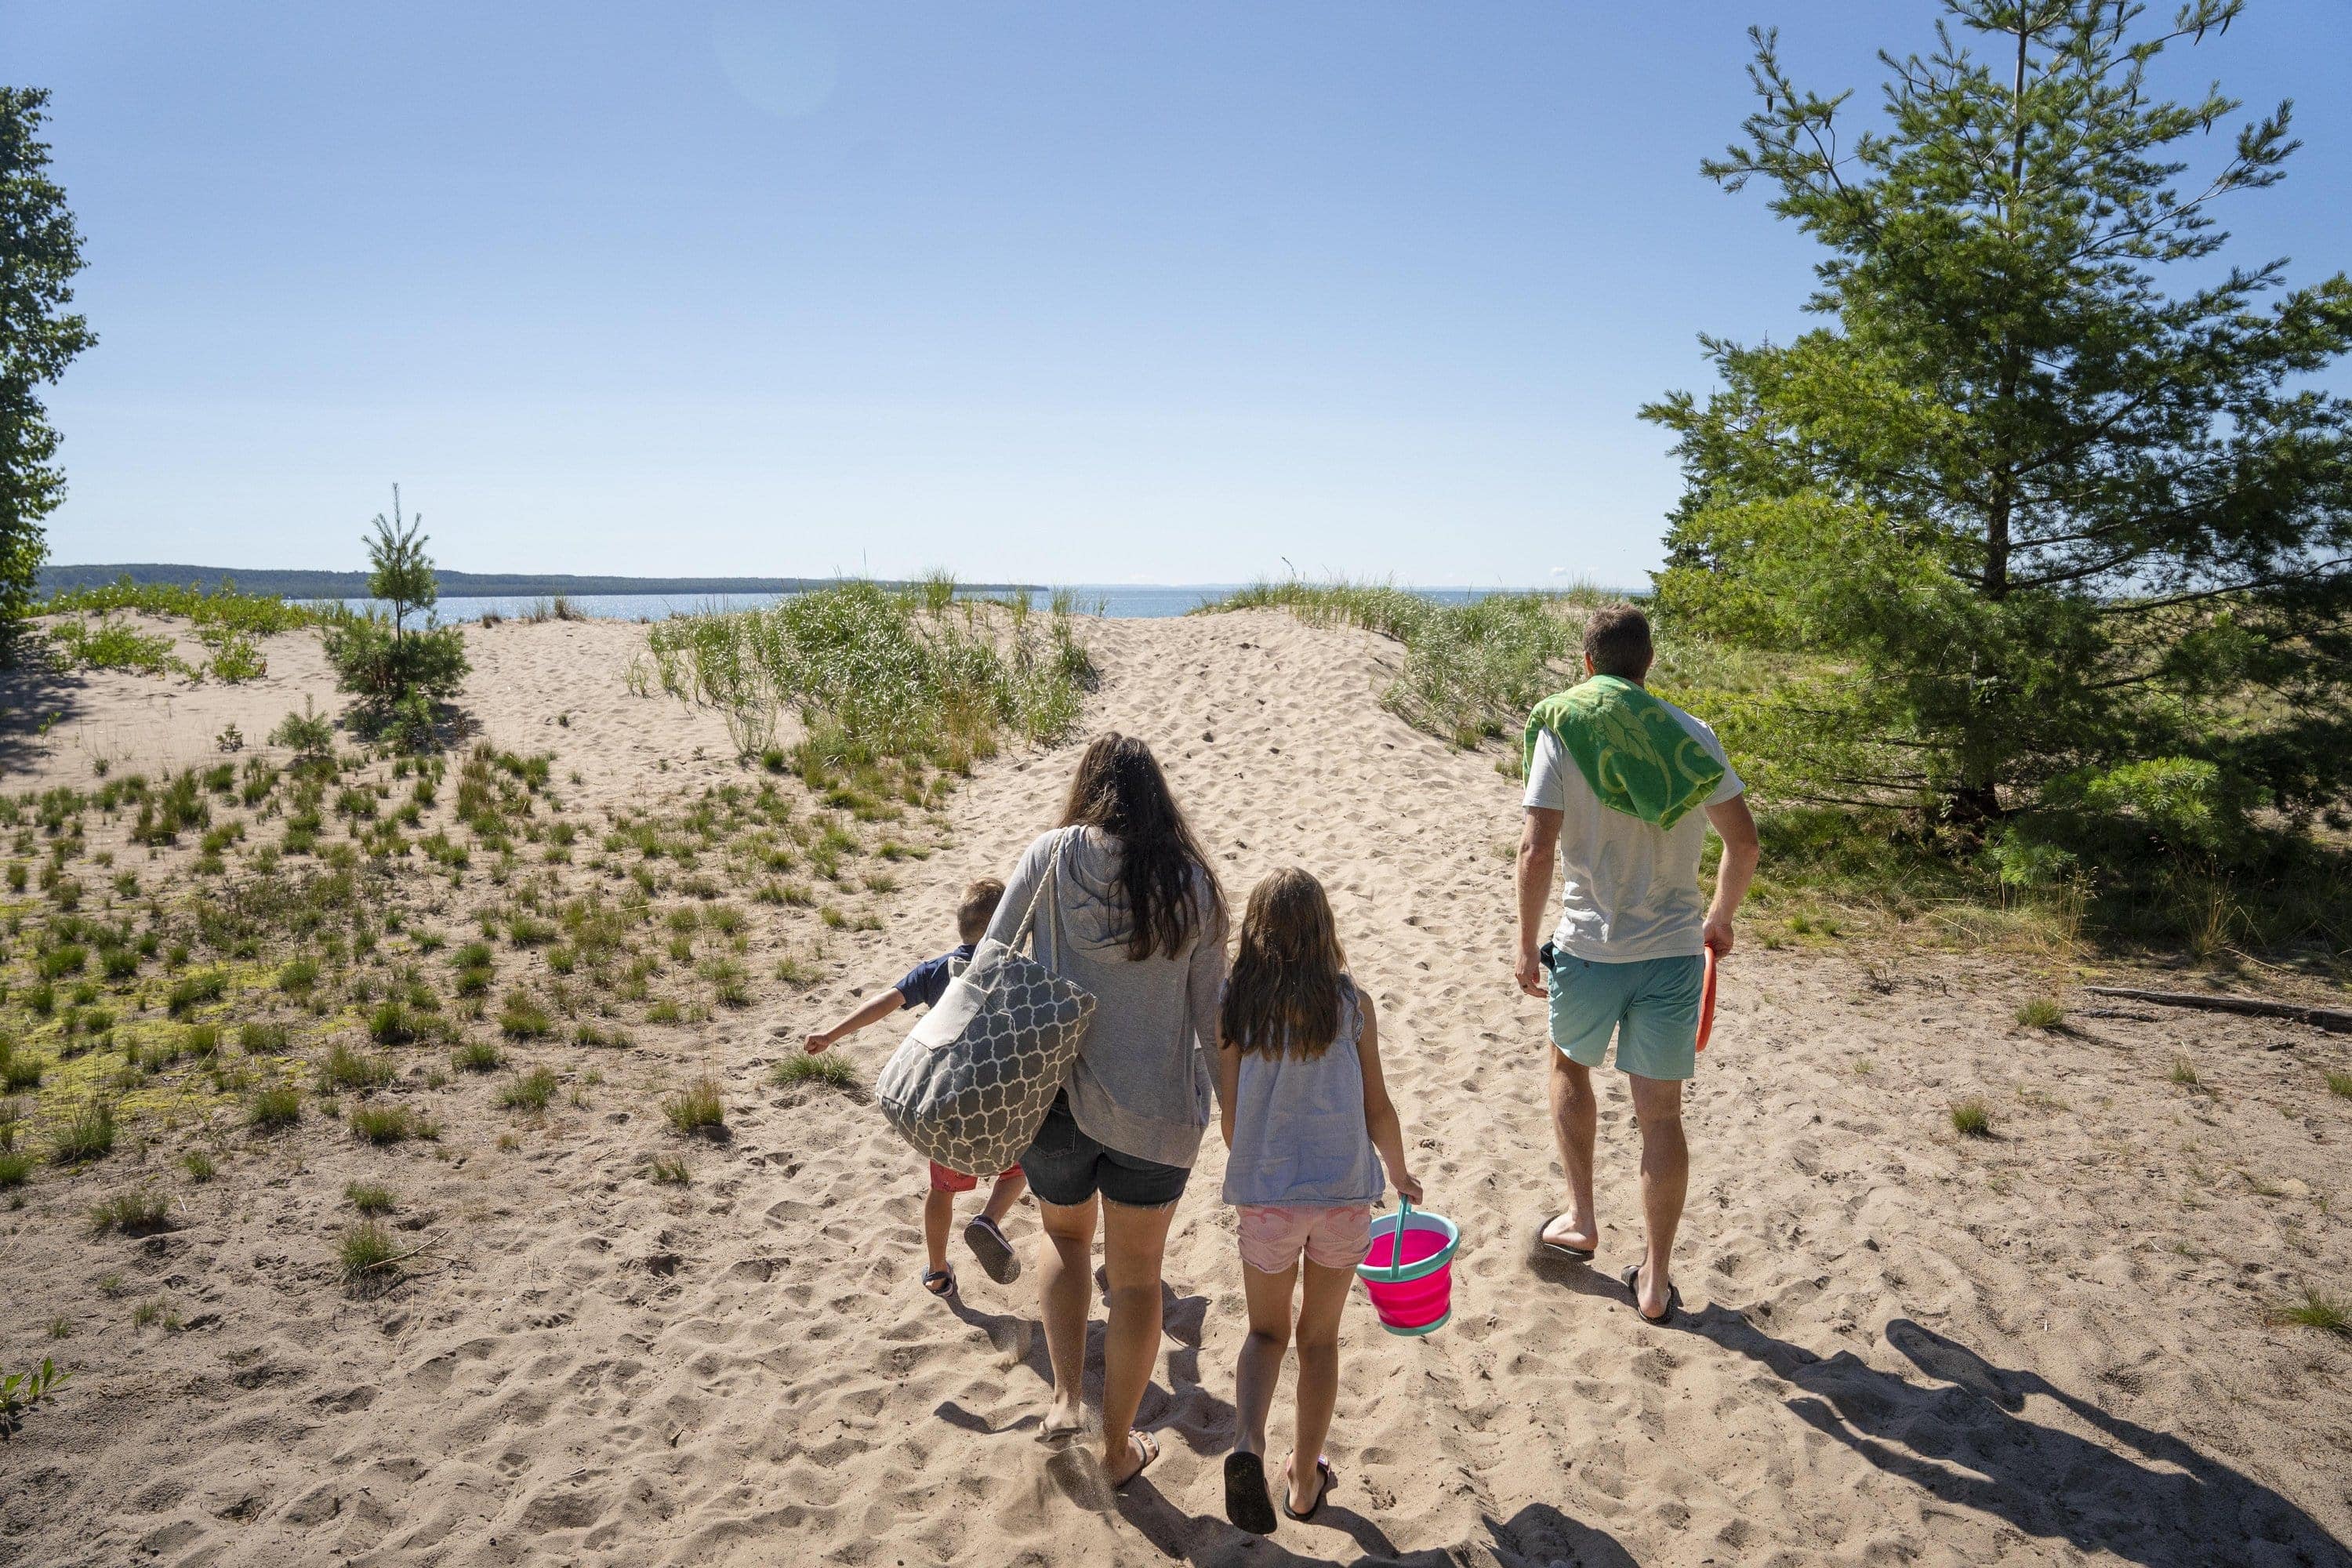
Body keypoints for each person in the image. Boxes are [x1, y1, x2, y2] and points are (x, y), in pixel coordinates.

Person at [986, 732, 1226, 1489]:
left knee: (1061, 1236)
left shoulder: (1050, 856)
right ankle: (1117, 1447)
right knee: (1137, 1281)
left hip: (1052, 1097)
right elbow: (1214, 1023)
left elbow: (988, 961)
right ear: (1161, 800)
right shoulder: (1194, 884)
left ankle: (1064, 1399)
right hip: (1155, 1116)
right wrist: (1239, 1121)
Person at [1514, 604, 1759, 1324]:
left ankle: (1582, 1219)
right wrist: (1720, 920)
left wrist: (1525, 942)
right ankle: (1654, 1283)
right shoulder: (1690, 733)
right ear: (1647, 666)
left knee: (1569, 1069)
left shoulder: (1564, 728)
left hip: (1590, 947)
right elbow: (1743, 844)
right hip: (1675, 952)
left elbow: (1536, 848)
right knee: (1661, 1117)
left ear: (1588, 666)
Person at [1214, 867, 1419, 1535]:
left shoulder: (1236, 1006)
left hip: (1269, 1197)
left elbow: (1232, 1121)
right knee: (1320, 1340)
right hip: (1342, 1198)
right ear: (1324, 929)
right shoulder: (1350, 1004)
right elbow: (1378, 1106)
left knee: (1264, 1334)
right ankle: (1304, 1482)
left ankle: (1248, 1443)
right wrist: (1401, 1170)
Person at [804, 877, 1029, 1297]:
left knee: (941, 1190)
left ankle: (937, 1270)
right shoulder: (1018, 972)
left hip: (950, 1107)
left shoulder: (938, 970)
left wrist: (832, 1035)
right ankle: (989, 1219)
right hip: (1003, 1106)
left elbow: (885, 1002)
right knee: (1020, 1171)